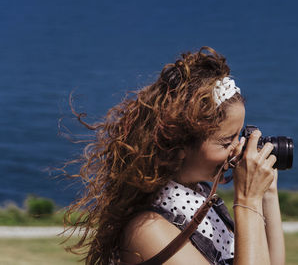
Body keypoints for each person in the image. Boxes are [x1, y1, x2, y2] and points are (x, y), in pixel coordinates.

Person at [64, 47, 285, 265]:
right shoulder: (147, 231)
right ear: (178, 146)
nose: (238, 149)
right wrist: (247, 201)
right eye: (227, 142)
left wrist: (267, 193)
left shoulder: (200, 198)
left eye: (239, 136)